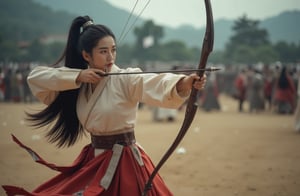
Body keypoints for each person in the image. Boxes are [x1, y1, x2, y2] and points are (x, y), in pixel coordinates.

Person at [2, 16, 206, 196]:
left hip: (126, 162)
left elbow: (152, 82)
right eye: (103, 51)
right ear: (86, 56)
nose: (111, 57)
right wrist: (78, 76)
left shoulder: (126, 78)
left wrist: (185, 83)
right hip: (95, 161)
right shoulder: (77, 84)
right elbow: (35, 78)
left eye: (113, 50)